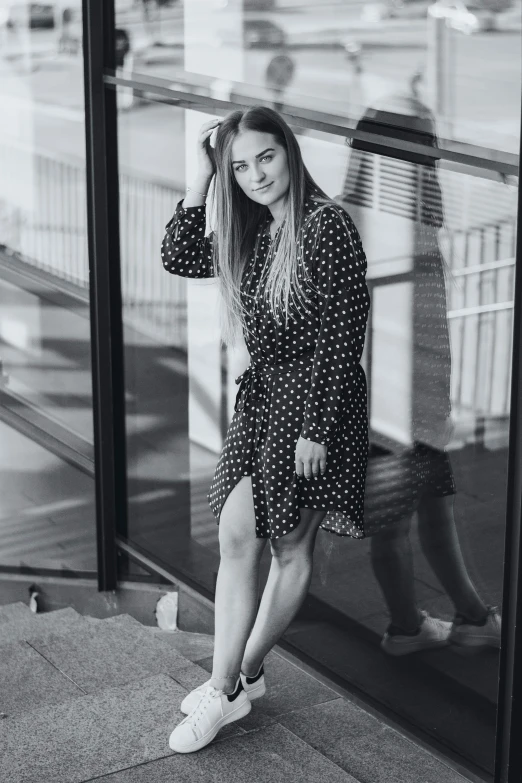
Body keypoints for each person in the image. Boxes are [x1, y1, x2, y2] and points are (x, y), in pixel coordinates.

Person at [161, 106, 370, 753]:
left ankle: (228, 684)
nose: (255, 174)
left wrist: (317, 427)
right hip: (262, 400)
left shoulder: (326, 225)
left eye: (265, 157)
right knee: (236, 531)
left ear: (289, 151)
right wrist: (202, 178)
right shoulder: (257, 228)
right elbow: (177, 254)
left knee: (287, 547)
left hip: (314, 401)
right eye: (240, 166)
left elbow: (343, 330)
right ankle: (237, 678)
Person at [342, 91, 501, 656]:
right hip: (395, 403)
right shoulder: (388, 222)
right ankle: (409, 627)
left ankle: (468, 617)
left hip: (403, 398)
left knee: (433, 514)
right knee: (399, 525)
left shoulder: (361, 212)